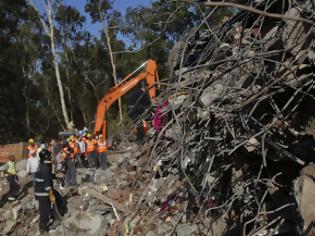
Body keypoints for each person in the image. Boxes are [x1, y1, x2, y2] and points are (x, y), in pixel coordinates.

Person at [35, 148, 54, 234]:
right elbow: (47, 185)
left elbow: (46, 177)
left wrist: (55, 176)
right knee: (45, 211)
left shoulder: (41, 165)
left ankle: (44, 226)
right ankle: (43, 229)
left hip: (39, 192)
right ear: (46, 157)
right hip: (43, 193)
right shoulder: (45, 168)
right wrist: (51, 196)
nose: (50, 157)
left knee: (43, 210)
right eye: (49, 156)